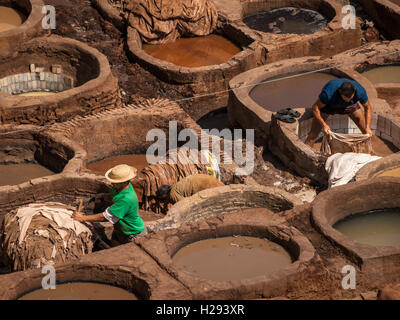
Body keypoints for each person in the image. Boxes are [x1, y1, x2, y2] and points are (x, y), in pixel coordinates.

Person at [72, 164, 147, 245]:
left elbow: (105, 216)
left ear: (124, 182)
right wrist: (101, 197)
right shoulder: (119, 188)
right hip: (120, 230)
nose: (112, 183)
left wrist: (82, 218)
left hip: (132, 233)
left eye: (115, 182)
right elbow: (113, 196)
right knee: (113, 246)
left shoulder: (127, 199)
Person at [305, 79, 373, 147]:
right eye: (345, 98)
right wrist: (324, 125)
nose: (348, 99)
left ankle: (367, 150)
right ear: (339, 91)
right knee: (314, 133)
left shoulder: (360, 91)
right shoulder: (328, 93)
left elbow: (368, 107)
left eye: (350, 98)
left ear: (354, 90)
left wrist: (368, 127)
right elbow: (315, 108)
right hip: (329, 106)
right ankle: (306, 151)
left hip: (350, 105)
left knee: (366, 131)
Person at [156, 174, 224, 205]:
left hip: (201, 185)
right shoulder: (175, 186)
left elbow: (185, 204)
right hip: (206, 178)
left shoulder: (172, 194)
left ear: (164, 195)